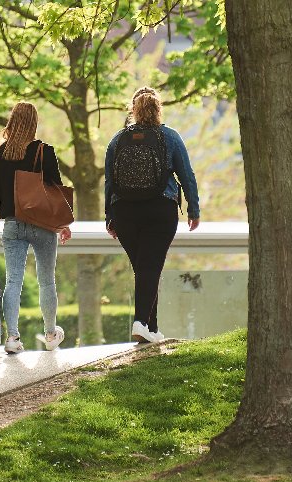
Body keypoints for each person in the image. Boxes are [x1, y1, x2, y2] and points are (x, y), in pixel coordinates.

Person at [0, 102, 71, 353]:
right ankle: (50, 334)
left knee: (13, 281)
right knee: (47, 281)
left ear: (12, 122)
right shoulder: (44, 152)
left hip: (12, 226)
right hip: (43, 226)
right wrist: (64, 224)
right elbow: (56, 190)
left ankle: (13, 339)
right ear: (34, 123)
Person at [103, 87, 200, 343]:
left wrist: (109, 216)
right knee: (150, 267)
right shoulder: (170, 137)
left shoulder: (117, 140)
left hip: (124, 211)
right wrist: (194, 209)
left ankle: (151, 330)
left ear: (133, 110)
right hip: (160, 208)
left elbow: (109, 182)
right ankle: (141, 322)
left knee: (144, 268)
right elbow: (187, 175)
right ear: (158, 109)